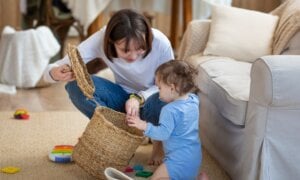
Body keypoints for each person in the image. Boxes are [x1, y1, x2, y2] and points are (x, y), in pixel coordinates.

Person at [43, 9, 174, 165]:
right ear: (111, 42)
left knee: (166, 96)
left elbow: (171, 85)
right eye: (125, 50)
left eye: (140, 48)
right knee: (75, 86)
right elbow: (53, 70)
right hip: (121, 100)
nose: (133, 56)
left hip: (153, 101)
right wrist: (54, 72)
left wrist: (139, 98)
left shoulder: (161, 43)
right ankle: (118, 133)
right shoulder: (101, 38)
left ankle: (158, 142)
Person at [126, 60, 203, 180]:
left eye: (159, 88)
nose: (158, 92)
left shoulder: (169, 110)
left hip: (177, 160)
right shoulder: (193, 100)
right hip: (194, 155)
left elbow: (163, 134)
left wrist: (143, 125)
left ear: (172, 88)